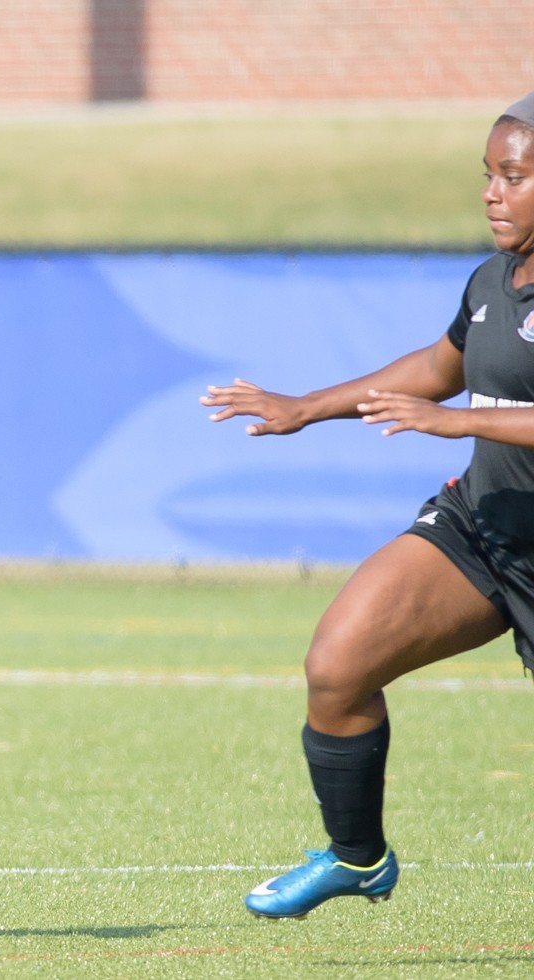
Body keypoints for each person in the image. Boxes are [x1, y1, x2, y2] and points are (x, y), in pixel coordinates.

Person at [202, 92, 534, 920]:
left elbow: (446, 404)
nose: (493, 193)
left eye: (515, 176)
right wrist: (303, 407)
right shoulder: (493, 279)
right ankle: (357, 857)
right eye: (489, 174)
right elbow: (434, 367)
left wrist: (456, 421)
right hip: (484, 528)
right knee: (338, 667)